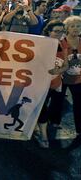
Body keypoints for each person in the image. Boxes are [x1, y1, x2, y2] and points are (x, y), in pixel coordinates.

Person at [36, 20, 68, 148]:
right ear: (48, 31)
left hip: (54, 82)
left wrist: (58, 70)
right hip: (39, 83)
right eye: (56, 31)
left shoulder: (63, 42)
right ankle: (43, 135)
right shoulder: (40, 43)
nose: (59, 34)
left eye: (61, 31)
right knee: (41, 106)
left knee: (42, 106)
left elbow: (66, 65)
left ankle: (39, 129)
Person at [61, 16, 81, 148]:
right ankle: (54, 123)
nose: (76, 29)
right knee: (57, 101)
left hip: (78, 79)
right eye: (73, 26)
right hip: (62, 78)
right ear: (67, 28)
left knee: (79, 105)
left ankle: (79, 130)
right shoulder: (61, 42)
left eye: (78, 26)